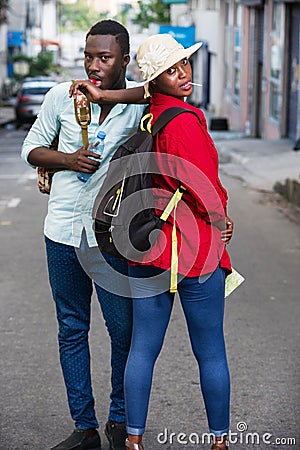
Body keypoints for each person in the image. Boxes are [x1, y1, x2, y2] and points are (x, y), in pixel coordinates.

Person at [70, 34, 234, 450]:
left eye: (183, 65)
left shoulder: (152, 114)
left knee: (143, 349)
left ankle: (134, 440)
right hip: (195, 253)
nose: (182, 75)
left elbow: (141, 92)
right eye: (170, 71)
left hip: (151, 249)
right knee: (211, 351)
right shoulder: (183, 121)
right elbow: (202, 185)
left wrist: (103, 92)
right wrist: (221, 218)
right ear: (156, 81)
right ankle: (219, 441)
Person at [21, 20, 146, 450]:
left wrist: (106, 95)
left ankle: (119, 420)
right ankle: (84, 427)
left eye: (105, 58)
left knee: (123, 332)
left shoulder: (139, 108)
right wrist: (68, 159)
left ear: (124, 60)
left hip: (110, 238)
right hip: (60, 232)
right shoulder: (61, 96)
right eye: (88, 56)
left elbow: (163, 93)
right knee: (72, 327)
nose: (94, 65)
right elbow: (30, 148)